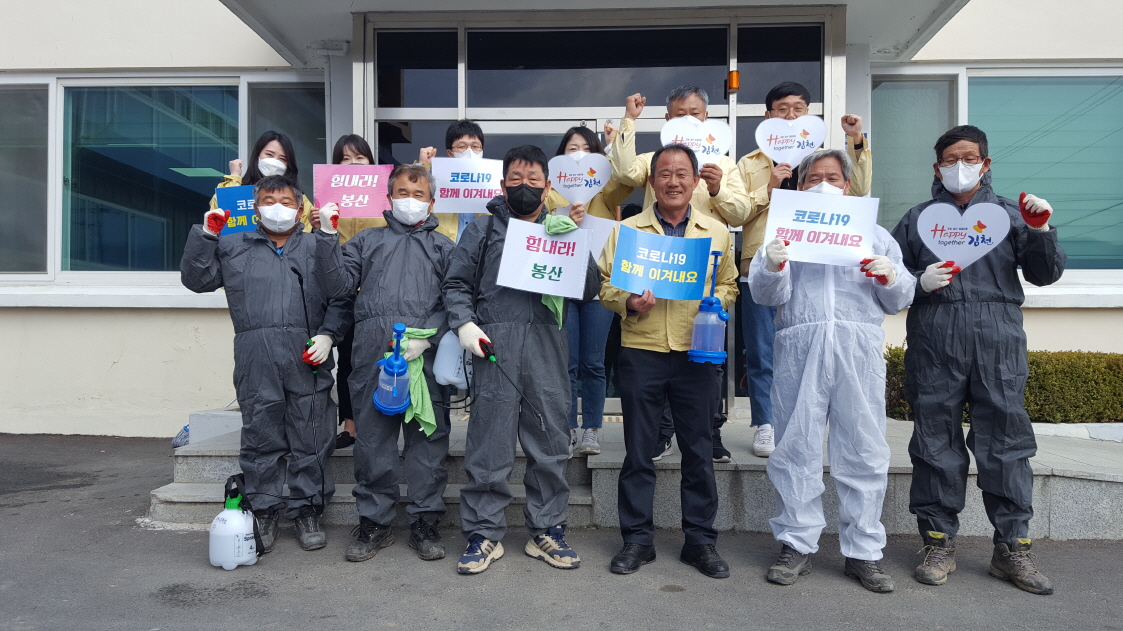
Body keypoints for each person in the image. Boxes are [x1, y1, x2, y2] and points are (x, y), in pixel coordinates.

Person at [891, 125, 1065, 595]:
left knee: (1006, 441)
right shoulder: (917, 219)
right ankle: (937, 543)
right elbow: (888, 278)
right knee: (934, 440)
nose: (959, 166)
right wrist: (916, 280)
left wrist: (1041, 229)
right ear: (937, 168)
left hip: (997, 337)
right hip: (934, 336)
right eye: (950, 159)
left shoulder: (1010, 215)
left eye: (969, 158)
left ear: (986, 164)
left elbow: (1045, 274)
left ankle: (1012, 549)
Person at [748, 150, 913, 593]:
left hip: (857, 348)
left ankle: (864, 551)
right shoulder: (783, 234)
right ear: (800, 187)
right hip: (799, 346)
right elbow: (764, 295)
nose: (824, 184)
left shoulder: (875, 236)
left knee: (864, 447)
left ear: (848, 184)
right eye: (814, 178)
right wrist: (773, 265)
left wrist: (889, 276)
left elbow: (900, 299)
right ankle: (796, 543)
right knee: (795, 445)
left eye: (833, 177)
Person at [442, 145, 601, 575]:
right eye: (516, 179)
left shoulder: (559, 228)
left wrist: (575, 239)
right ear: (503, 184)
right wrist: (464, 324)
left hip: (548, 344)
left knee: (550, 440)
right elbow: (456, 284)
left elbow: (588, 289)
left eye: (533, 180)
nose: (524, 187)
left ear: (547, 187)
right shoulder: (483, 229)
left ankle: (547, 529)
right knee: (489, 441)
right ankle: (483, 533)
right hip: (495, 344)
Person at [182, 175, 344, 553]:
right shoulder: (233, 245)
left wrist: (328, 334)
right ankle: (265, 509)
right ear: (255, 208)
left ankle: (308, 510)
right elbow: (197, 280)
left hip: (307, 352)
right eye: (268, 201)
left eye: (286, 201)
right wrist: (206, 236)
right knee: (260, 433)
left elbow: (341, 294)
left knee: (312, 434)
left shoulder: (317, 245)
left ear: (300, 209)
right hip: (256, 352)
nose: (277, 208)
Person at [599, 143, 738, 579]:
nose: (673, 182)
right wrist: (628, 302)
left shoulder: (716, 232)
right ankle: (637, 541)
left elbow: (730, 283)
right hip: (642, 350)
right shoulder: (628, 232)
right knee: (639, 451)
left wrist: (718, 302)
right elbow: (605, 285)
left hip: (697, 350)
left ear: (695, 182)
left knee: (698, 450)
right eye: (664, 173)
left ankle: (700, 542)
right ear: (651, 181)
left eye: (681, 174)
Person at [315, 164, 456, 563]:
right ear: (389, 197)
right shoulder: (366, 241)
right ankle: (374, 522)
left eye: (418, 194)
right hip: (373, 357)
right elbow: (339, 287)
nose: (410, 200)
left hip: (423, 360)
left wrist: (428, 338)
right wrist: (327, 237)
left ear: (432, 202)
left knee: (427, 443)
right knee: (373, 443)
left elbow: (457, 298)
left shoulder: (445, 248)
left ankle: (425, 521)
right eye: (402, 193)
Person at [609, 85, 752, 462]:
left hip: (701, 286)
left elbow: (741, 214)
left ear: (707, 118)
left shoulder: (723, 164)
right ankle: (661, 434)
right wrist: (630, 121)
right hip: (656, 279)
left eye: (696, 113)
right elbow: (623, 170)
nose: (689, 119)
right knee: (655, 372)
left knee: (704, 377)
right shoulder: (653, 161)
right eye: (680, 114)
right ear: (667, 119)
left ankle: (711, 432)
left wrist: (718, 189)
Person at [736, 81, 872, 459]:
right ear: (768, 115)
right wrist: (768, 189)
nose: (790, 115)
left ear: (808, 114)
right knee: (762, 350)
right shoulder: (749, 163)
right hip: (765, 267)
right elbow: (733, 212)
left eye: (798, 108)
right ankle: (766, 422)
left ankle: (808, 421)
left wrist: (855, 139)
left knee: (814, 350)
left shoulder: (822, 160)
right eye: (782, 109)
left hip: (816, 268)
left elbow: (860, 192)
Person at [545, 125, 634, 457]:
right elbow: (538, 226)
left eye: (586, 148)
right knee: (566, 364)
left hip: (599, 287)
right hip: (562, 283)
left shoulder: (605, 190)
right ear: (561, 155)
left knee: (594, 364)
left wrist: (613, 146)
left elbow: (626, 180)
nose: (579, 154)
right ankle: (568, 428)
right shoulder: (552, 190)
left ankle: (592, 429)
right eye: (572, 148)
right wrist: (564, 218)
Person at [324, 134, 383, 449]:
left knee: (381, 357)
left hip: (378, 287)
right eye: (345, 159)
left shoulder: (384, 194)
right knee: (346, 358)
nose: (353, 164)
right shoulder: (327, 196)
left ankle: (384, 421)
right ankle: (350, 424)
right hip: (344, 287)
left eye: (359, 158)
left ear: (371, 162)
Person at [211, 130, 315, 227]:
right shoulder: (237, 186)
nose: (275, 162)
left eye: (282, 159)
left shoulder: (298, 197)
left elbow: (305, 232)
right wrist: (234, 176)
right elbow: (220, 212)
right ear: (257, 155)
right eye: (269, 154)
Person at [418, 120, 487, 243]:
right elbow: (415, 204)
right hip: (444, 252)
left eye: (475, 146)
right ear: (450, 153)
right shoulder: (437, 185)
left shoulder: (494, 184)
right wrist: (423, 167)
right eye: (462, 147)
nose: (470, 152)